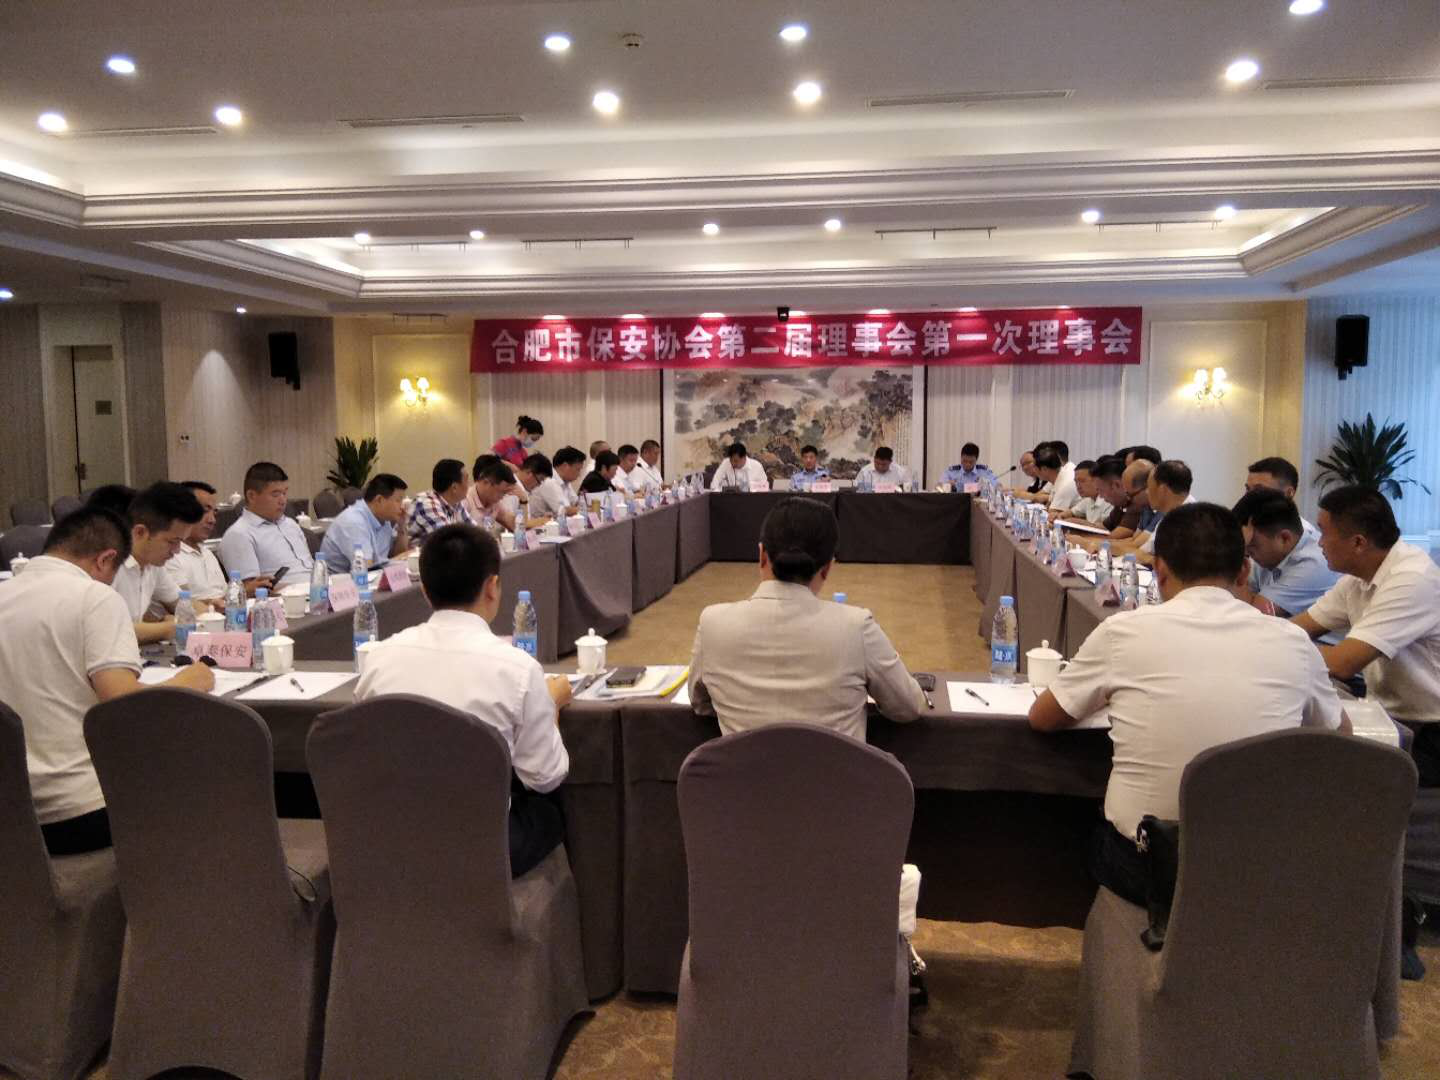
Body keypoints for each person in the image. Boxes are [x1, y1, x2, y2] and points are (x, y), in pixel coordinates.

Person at [1029, 502, 1346, 907]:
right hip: (1258, 863)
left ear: (1160, 571)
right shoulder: (1294, 641)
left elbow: (1043, 717)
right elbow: (1339, 735)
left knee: (1072, 825)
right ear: (1244, 572)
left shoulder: (1123, 631)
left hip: (1147, 863)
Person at [355, 523, 573, 877]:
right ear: (492, 587)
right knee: (551, 803)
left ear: (425, 591)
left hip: (394, 831)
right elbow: (545, 777)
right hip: (484, 843)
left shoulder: (379, 658)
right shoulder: (518, 668)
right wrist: (551, 706)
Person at [0, 506, 214, 855]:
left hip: (13, 816)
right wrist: (190, 680)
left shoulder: (5, 593)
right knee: (206, 771)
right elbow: (123, 707)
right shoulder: (94, 598)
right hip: (80, 811)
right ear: (105, 559)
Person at [688, 497, 923, 740]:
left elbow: (701, 704)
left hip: (743, 766)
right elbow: (908, 706)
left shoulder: (712, 624)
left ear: (762, 555)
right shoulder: (856, 627)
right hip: (834, 766)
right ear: (827, 568)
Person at [1292, 485, 1440, 740]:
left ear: (1358, 542)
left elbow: (1342, 663)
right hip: (1385, 715)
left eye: (1324, 533)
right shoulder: (1357, 577)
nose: (1319, 543)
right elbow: (1298, 627)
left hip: (1429, 731)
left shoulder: (1413, 579)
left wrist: (1283, 648)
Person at [111, 482, 204, 643]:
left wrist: (210, 616)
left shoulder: (153, 564)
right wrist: (167, 628)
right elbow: (111, 629)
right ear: (140, 532)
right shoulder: (109, 565)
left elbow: (181, 603)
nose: (177, 551)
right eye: (172, 541)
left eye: (181, 542)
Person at [1230, 488, 1339, 619]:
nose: (1247, 551)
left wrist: (1238, 553)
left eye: (1251, 544)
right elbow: (1228, 596)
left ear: (1284, 538)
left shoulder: (1314, 563)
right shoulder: (1267, 552)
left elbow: (1251, 616)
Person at [218, 461, 314, 584]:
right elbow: (250, 590)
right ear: (252, 496)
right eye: (275, 494)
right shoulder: (238, 535)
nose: (283, 501)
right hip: (289, 594)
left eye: (285, 493)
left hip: (318, 588)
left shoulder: (290, 524)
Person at [319, 473, 411, 573]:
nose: (402, 506)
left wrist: (402, 526)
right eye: (398, 500)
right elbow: (366, 567)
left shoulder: (384, 519)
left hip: (371, 576)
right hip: (340, 580)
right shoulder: (354, 521)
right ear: (380, 500)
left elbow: (397, 555)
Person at [165, 481, 228, 607]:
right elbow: (180, 604)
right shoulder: (169, 554)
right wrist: (213, 604)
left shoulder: (207, 553)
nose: (212, 520)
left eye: (214, 513)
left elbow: (224, 594)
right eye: (205, 511)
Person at [1134, 459, 1197, 559]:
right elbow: (1145, 551)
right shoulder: (1168, 513)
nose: (1146, 492)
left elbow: (1168, 562)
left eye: (1149, 487)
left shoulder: (1190, 520)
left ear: (1162, 490)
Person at [1245, 456, 1318, 537]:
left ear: (1288, 493)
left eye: (1259, 490)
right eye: (1248, 489)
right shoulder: (1244, 527)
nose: (1248, 497)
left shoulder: (1306, 538)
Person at [407, 458, 474, 547]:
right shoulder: (427, 504)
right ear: (454, 487)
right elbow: (449, 541)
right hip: (408, 555)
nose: (469, 484)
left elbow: (475, 532)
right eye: (467, 480)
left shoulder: (456, 503)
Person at [463, 457, 520, 532]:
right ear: (486, 483)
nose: (502, 497)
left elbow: (517, 527)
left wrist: (524, 500)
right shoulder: (465, 500)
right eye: (502, 492)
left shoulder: (494, 503)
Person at [1056, 460, 1111, 525]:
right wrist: (1060, 516)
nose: (1078, 486)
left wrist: (1079, 522)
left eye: (1082, 481)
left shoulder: (1109, 501)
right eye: (1076, 482)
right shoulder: (1088, 499)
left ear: (1096, 480)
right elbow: (1070, 512)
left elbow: (1105, 528)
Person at [518, 453, 569, 519]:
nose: (538, 485)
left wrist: (543, 519)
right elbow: (517, 523)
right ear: (529, 473)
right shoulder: (513, 489)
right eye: (539, 480)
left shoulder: (523, 489)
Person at [1028, 446, 1078, 512]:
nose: (1033, 470)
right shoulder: (1058, 475)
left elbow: (1051, 514)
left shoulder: (1064, 485)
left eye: (1034, 467)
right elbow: (1048, 506)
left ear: (1044, 469)